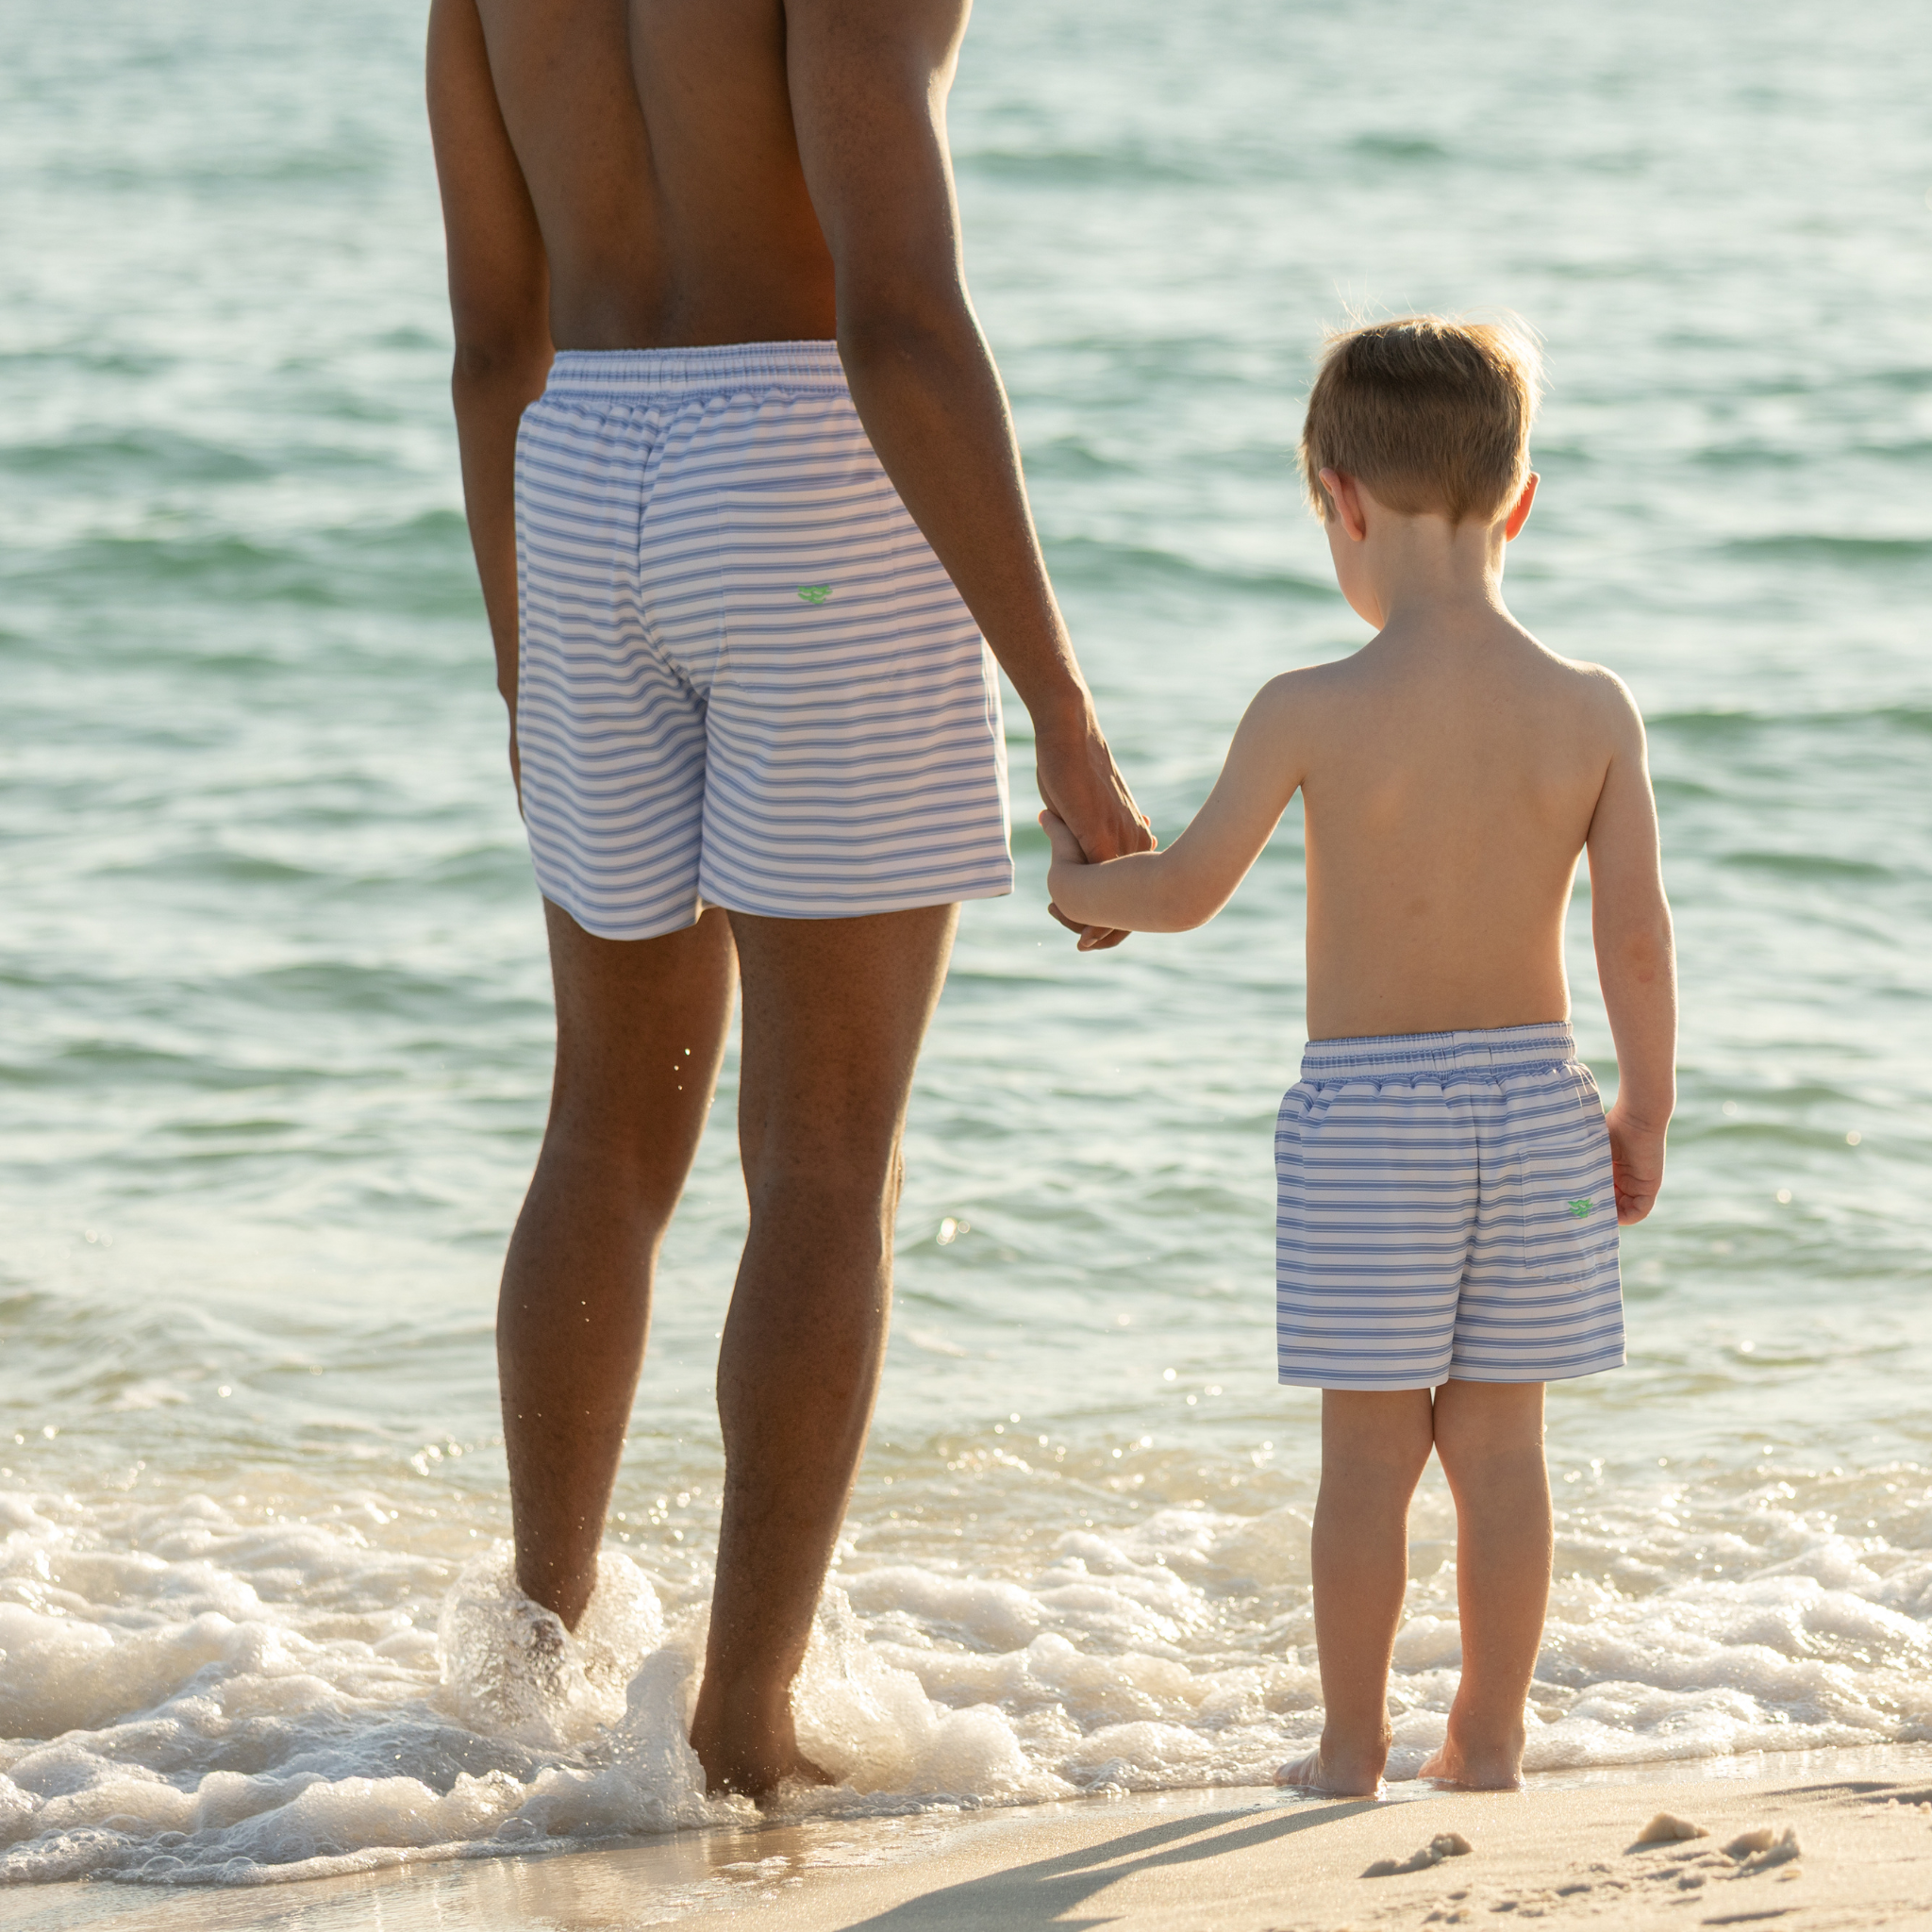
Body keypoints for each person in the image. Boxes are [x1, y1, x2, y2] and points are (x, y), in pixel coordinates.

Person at [425, 0, 1149, 1800]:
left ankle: (532, 1672)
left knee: (604, 1125)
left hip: (578, 471)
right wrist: (1056, 702)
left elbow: (487, 340)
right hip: (808, 474)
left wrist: (528, 656)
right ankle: (739, 1726)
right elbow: (899, 319)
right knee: (826, 1154)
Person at [1041, 315, 1676, 1795]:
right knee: (1504, 1457)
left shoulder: (1310, 707)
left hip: (1370, 1119)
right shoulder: (1590, 711)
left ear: (1340, 500)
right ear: (1519, 500)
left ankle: (1347, 1748)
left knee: (1369, 1463)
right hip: (1537, 1104)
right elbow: (1634, 940)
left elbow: (1187, 890)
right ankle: (1492, 1740)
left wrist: (1077, 886)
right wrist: (1643, 1106)